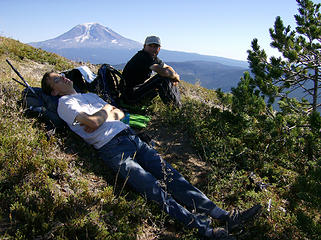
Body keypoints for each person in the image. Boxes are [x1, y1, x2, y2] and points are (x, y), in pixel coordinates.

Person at [41, 71, 262, 240]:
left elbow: (120, 113)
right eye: (57, 80)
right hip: (112, 149)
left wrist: (104, 114)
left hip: (131, 138)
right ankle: (207, 231)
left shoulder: (89, 95)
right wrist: (106, 112)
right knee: (154, 189)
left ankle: (224, 216)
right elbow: (94, 122)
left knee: (173, 177)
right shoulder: (65, 105)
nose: (63, 78)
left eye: (61, 75)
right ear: (54, 91)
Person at [122, 36, 181, 107]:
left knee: (169, 77)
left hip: (134, 93)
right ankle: (177, 110)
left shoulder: (153, 57)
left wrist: (173, 76)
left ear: (159, 48)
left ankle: (178, 106)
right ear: (144, 46)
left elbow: (167, 67)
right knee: (162, 79)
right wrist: (175, 76)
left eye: (155, 46)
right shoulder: (143, 57)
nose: (153, 49)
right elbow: (163, 72)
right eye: (150, 46)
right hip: (130, 97)